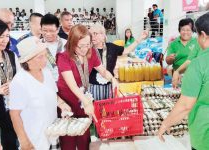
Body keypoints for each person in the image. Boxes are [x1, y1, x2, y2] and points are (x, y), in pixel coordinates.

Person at [57, 24, 117, 150]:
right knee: (69, 139)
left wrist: (112, 79)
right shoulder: (63, 57)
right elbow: (72, 85)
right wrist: (86, 102)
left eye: (88, 44)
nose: (85, 49)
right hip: (67, 102)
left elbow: (103, 71)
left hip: (83, 100)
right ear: (72, 43)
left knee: (84, 137)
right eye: (81, 46)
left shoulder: (92, 53)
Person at [158, 12, 209, 150]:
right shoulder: (177, 45)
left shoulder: (199, 64)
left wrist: (165, 124)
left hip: (205, 133)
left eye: (197, 34)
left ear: (203, 35)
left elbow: (186, 105)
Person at [9, 36, 71, 150]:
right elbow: (14, 115)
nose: (45, 60)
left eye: (45, 55)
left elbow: (53, 94)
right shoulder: (20, 81)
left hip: (52, 135)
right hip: (33, 140)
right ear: (28, 61)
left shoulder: (46, 72)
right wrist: (24, 142)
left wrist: (62, 105)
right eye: (40, 57)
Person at [89, 23, 148, 100]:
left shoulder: (111, 47)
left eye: (95, 34)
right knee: (95, 109)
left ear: (103, 35)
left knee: (110, 109)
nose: (92, 37)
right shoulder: (88, 51)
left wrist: (140, 38)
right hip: (94, 87)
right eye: (90, 34)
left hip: (111, 85)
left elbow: (127, 50)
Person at [0, 18, 19, 150]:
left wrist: (14, 84)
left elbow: (21, 79)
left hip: (10, 107)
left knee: (11, 141)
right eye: (0, 37)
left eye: (7, 36)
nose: (5, 40)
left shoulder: (11, 55)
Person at [40, 14, 67, 81]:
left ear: (58, 29)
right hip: (44, 82)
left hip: (64, 82)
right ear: (41, 29)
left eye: (51, 31)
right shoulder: (37, 45)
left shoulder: (66, 44)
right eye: (45, 30)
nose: (48, 34)